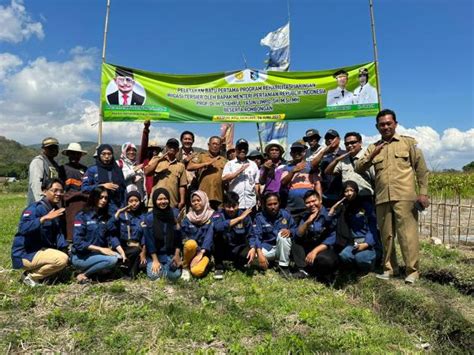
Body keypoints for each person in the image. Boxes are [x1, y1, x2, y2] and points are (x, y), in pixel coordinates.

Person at [355, 109, 429, 284]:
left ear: (395, 124)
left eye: (389, 123)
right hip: (382, 198)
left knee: (407, 235)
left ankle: (412, 271)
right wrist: (372, 155)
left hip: (404, 197)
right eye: (382, 124)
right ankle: (390, 269)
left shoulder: (408, 143)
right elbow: (359, 167)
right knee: (386, 235)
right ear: (377, 127)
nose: (386, 127)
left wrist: (423, 193)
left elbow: (421, 170)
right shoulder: (373, 147)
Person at [11, 179, 69, 287]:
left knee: (66, 259)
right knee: (61, 259)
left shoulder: (56, 210)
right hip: (26, 253)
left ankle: (43, 275)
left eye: (61, 191)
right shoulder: (35, 209)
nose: (58, 194)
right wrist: (43, 219)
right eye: (55, 190)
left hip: (41, 250)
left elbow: (58, 234)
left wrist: (65, 248)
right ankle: (30, 276)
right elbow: (23, 228)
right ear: (44, 191)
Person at [72, 186, 127, 284]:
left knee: (118, 258)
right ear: (94, 197)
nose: (104, 200)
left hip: (97, 255)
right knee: (112, 260)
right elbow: (78, 242)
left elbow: (111, 236)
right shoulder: (82, 216)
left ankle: (97, 273)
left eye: (106, 198)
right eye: (101, 197)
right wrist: (100, 249)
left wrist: (122, 252)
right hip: (81, 256)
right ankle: (83, 275)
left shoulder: (105, 217)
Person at [291, 190, 338, 282]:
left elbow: (332, 238)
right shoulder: (306, 216)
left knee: (325, 260)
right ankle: (303, 270)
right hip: (311, 245)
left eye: (314, 201)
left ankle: (324, 275)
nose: (311, 204)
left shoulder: (329, 214)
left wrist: (315, 251)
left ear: (320, 200)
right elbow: (298, 234)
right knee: (295, 241)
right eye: (308, 203)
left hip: (325, 248)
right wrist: (308, 222)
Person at [335, 181, 381, 273]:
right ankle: (354, 272)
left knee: (360, 258)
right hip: (353, 243)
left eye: (351, 190)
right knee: (344, 255)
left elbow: (372, 226)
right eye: (346, 191)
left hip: (368, 243)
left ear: (356, 191)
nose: (349, 193)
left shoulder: (365, 205)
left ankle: (371, 267)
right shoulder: (344, 208)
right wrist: (334, 208)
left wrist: (367, 243)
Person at [251, 193, 296, 276]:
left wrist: (290, 231)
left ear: (279, 203)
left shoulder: (285, 214)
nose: (273, 207)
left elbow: (294, 228)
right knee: (252, 257)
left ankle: (283, 267)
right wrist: (260, 253)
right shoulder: (259, 217)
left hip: (283, 248)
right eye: (269, 204)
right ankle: (270, 262)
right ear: (264, 205)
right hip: (267, 247)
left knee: (283, 235)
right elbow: (256, 236)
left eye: (275, 204)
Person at [143, 188, 183, 281]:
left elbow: (178, 237)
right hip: (155, 255)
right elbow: (149, 241)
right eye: (159, 199)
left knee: (174, 276)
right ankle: (163, 269)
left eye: (165, 199)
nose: (163, 202)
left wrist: (177, 255)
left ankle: (166, 270)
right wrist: (155, 260)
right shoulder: (149, 218)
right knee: (154, 275)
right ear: (154, 201)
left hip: (170, 254)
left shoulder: (174, 214)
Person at [212, 191, 253, 279]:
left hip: (238, 247)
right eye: (228, 206)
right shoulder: (218, 214)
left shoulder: (245, 215)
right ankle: (219, 266)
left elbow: (251, 234)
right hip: (223, 249)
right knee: (217, 236)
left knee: (249, 255)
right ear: (223, 205)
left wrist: (253, 248)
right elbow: (217, 227)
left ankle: (237, 262)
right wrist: (239, 219)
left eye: (234, 206)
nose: (231, 209)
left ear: (238, 205)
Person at [324, 132, 375, 199]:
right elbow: (327, 172)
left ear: (360, 142)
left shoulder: (367, 157)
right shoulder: (343, 159)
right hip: (348, 199)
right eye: (347, 144)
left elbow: (376, 179)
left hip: (366, 198)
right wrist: (336, 160)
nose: (350, 145)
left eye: (353, 142)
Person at [281, 141, 321, 224]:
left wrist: (320, 200)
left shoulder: (310, 166)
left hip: (309, 206)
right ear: (291, 153)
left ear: (304, 152)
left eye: (299, 151)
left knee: (308, 230)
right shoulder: (287, 167)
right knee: (292, 230)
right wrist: (293, 171)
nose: (296, 153)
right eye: (294, 151)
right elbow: (283, 183)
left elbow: (317, 184)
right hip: (292, 207)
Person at [82, 144, 126, 214]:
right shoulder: (92, 170)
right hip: (98, 207)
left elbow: (123, 190)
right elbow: (84, 189)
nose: (106, 156)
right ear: (99, 155)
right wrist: (101, 186)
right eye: (103, 154)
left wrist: (123, 206)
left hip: (116, 207)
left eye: (109, 154)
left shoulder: (117, 170)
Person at [145, 138, 187, 210]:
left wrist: (182, 201)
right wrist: (159, 160)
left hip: (172, 204)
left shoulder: (181, 165)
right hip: (155, 203)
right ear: (166, 148)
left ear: (177, 150)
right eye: (170, 146)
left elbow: (182, 185)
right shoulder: (156, 159)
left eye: (174, 146)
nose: (172, 148)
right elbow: (147, 172)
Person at [181, 190, 215, 279]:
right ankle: (185, 267)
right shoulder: (188, 218)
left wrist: (201, 253)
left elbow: (210, 236)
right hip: (191, 252)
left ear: (204, 200)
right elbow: (183, 235)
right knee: (190, 243)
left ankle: (205, 264)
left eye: (198, 200)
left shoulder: (212, 216)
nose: (196, 203)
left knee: (196, 271)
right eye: (193, 201)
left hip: (204, 252)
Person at [187, 136, 227, 210]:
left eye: (217, 144)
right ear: (209, 145)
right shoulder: (201, 156)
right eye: (213, 144)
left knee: (218, 219)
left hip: (219, 197)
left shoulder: (224, 160)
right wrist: (206, 163)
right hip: (203, 196)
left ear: (220, 146)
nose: (215, 146)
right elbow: (189, 167)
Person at [114, 191, 147, 279]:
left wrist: (143, 252)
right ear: (127, 202)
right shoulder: (121, 216)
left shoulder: (143, 217)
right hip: (122, 248)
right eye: (131, 201)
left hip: (137, 248)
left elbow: (145, 236)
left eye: (136, 200)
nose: (133, 203)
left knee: (142, 264)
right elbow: (111, 229)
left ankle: (131, 275)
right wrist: (119, 212)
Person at [60, 142, 89, 241]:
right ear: (68, 154)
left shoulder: (85, 169)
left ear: (80, 155)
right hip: (68, 204)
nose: (75, 156)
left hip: (83, 203)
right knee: (69, 227)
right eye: (72, 153)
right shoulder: (63, 169)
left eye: (77, 154)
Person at [311, 129, 347, 208]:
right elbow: (312, 166)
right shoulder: (322, 156)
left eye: (332, 138)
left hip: (343, 195)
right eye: (327, 138)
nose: (329, 140)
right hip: (326, 196)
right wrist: (323, 152)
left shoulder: (345, 154)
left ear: (339, 139)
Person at [222, 139, 260, 211]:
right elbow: (224, 178)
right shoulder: (230, 164)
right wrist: (239, 171)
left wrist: (258, 198)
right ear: (236, 149)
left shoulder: (253, 164)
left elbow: (256, 183)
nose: (242, 150)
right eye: (240, 148)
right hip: (235, 204)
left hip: (251, 203)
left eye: (245, 148)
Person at [27, 137, 62, 205]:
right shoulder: (38, 162)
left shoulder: (54, 164)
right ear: (44, 149)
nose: (53, 150)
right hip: (40, 204)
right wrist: (41, 202)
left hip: (51, 203)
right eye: (50, 148)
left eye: (55, 147)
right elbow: (35, 184)